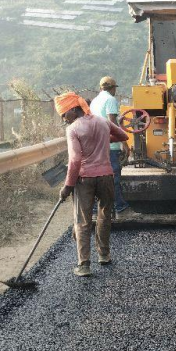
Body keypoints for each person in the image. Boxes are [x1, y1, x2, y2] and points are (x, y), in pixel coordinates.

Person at [56, 92, 129, 277]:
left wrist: (68, 185)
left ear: (74, 109)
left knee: (82, 220)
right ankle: (104, 255)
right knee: (105, 214)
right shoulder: (103, 121)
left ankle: (84, 265)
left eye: (64, 114)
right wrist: (103, 139)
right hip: (106, 176)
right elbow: (123, 135)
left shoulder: (73, 129)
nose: (64, 119)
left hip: (85, 179)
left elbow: (75, 160)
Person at [90, 76, 130, 214]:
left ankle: (96, 207)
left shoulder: (94, 101)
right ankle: (119, 205)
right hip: (110, 146)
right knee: (114, 176)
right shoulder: (110, 99)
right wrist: (124, 142)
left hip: (96, 145)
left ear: (101, 88)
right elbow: (112, 122)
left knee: (98, 176)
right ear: (113, 88)